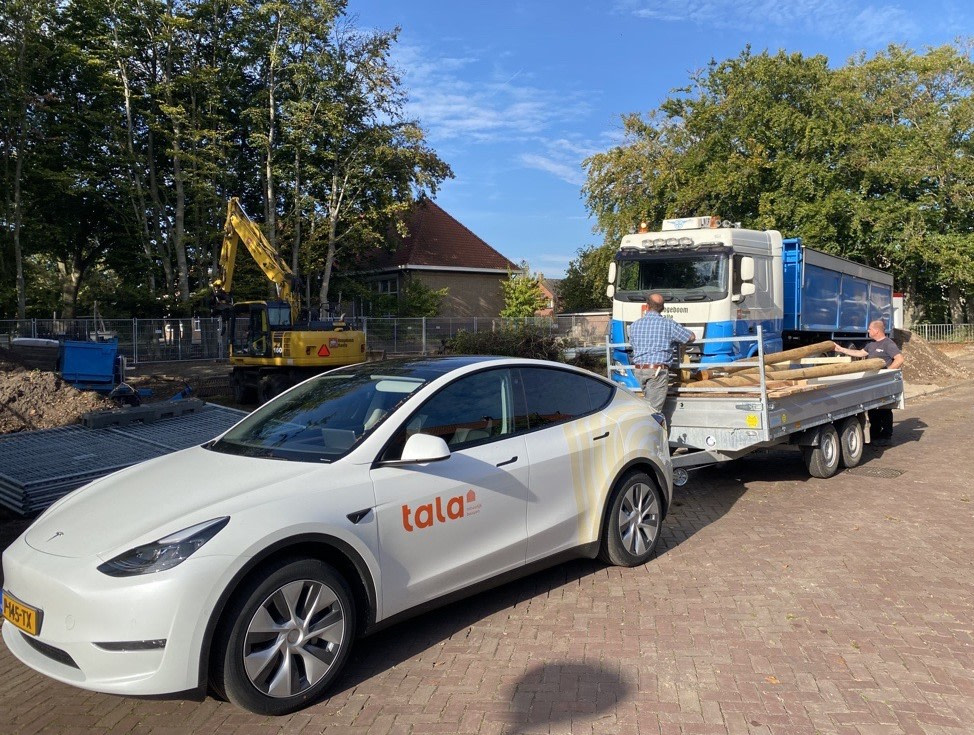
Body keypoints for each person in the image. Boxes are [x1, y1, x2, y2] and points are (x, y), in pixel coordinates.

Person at [833, 319, 904, 446]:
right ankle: (875, 435)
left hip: (883, 383)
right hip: (872, 383)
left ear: (876, 330)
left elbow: (899, 359)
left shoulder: (888, 344)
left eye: (870, 329)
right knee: (872, 409)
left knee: (884, 409)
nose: (868, 331)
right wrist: (842, 350)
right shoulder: (871, 345)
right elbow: (860, 353)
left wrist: (887, 372)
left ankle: (886, 436)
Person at [629, 293, 695, 412]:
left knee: (648, 405)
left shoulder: (634, 325)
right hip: (656, 372)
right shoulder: (668, 324)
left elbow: (633, 345)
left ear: (647, 306)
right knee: (653, 412)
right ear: (663, 308)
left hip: (639, 371)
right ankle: (651, 429)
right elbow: (690, 337)